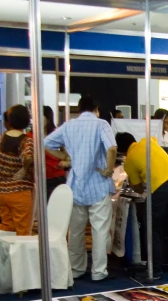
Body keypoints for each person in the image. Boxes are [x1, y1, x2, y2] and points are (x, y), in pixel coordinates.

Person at [44, 96, 117, 281]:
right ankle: (98, 272)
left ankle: (76, 269)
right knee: (99, 230)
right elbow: (112, 149)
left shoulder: (69, 126)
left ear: (79, 109)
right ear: (96, 109)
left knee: (75, 231)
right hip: (98, 184)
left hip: (76, 185)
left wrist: (65, 157)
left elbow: (46, 143)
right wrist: (109, 170)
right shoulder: (101, 125)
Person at [116, 132, 168, 278]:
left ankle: (156, 270)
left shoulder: (129, 161)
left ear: (121, 151)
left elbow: (138, 188)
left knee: (153, 229)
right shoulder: (149, 141)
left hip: (159, 190)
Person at [0, 104, 34, 235]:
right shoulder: (26, 141)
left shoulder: (3, 138)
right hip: (19, 191)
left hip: (3, 191)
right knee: (23, 233)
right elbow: (29, 157)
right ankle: (21, 256)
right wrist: (25, 169)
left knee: (7, 229)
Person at [29, 105, 69, 199]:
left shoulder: (56, 134)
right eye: (35, 117)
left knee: (56, 208)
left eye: (40, 117)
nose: (37, 120)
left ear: (48, 118)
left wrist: (66, 162)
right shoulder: (29, 136)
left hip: (56, 176)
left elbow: (68, 154)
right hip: (37, 178)